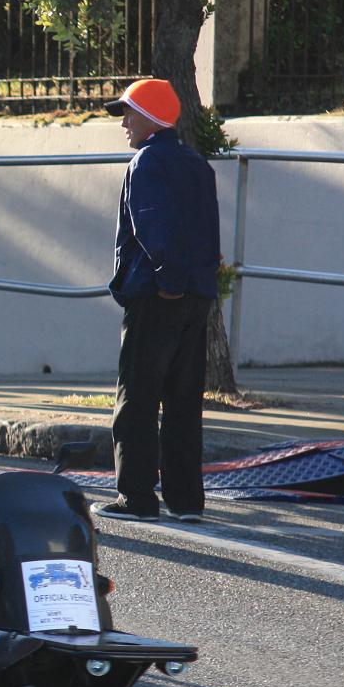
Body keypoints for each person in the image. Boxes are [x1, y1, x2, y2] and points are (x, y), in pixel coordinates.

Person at [93, 78, 220, 524]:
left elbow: (151, 227)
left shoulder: (145, 163)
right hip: (197, 296)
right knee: (184, 401)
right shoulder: (198, 164)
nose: (124, 122)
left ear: (150, 118)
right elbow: (207, 232)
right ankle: (186, 500)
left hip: (157, 293)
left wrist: (168, 278)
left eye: (129, 113)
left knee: (138, 398)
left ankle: (137, 498)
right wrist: (193, 282)